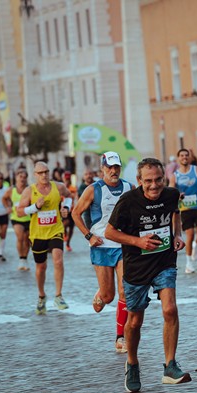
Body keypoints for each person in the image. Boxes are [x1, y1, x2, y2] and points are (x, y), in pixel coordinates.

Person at [104, 158, 191, 392]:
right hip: (136, 267)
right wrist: (137, 241)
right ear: (140, 181)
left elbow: (175, 214)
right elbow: (109, 232)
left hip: (164, 261)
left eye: (158, 180)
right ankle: (132, 364)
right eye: (149, 181)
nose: (154, 186)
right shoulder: (128, 202)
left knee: (170, 309)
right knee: (135, 321)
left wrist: (177, 235)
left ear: (164, 178)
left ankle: (170, 366)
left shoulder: (171, 195)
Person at [72, 151, 134, 354]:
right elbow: (75, 213)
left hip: (122, 245)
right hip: (101, 246)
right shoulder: (93, 189)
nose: (113, 171)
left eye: (116, 167)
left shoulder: (128, 187)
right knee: (108, 297)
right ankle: (101, 292)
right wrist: (88, 235)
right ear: (102, 169)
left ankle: (120, 337)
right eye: (110, 167)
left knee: (125, 291)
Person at [17, 161, 74, 315]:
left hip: (55, 230)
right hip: (38, 234)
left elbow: (69, 196)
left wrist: (66, 208)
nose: (44, 175)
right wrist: (35, 207)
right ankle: (41, 296)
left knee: (58, 259)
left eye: (46, 172)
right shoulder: (29, 191)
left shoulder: (58, 186)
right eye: (40, 173)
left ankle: (58, 295)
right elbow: (20, 211)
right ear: (35, 175)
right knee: (41, 267)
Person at [169, 148, 197, 273]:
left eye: (186, 155)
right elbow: (171, 191)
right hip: (185, 209)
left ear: (189, 157)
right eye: (181, 155)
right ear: (178, 158)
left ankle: (195, 246)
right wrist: (177, 195)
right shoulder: (175, 176)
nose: (184, 157)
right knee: (190, 235)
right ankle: (188, 263)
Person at [2, 170, 32, 270]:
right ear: (16, 177)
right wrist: (8, 207)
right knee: (20, 237)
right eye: (20, 176)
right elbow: (4, 198)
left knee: (27, 239)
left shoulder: (30, 189)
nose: (22, 179)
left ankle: (25, 259)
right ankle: (20, 259)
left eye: (24, 177)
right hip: (16, 218)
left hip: (28, 217)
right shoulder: (11, 190)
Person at [62, 171, 77, 252]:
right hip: (64, 210)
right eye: (66, 179)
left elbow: (74, 197)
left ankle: (68, 243)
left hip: (72, 210)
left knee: (71, 228)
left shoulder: (73, 188)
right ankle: (64, 233)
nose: (67, 180)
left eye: (68, 179)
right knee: (64, 224)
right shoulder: (61, 188)